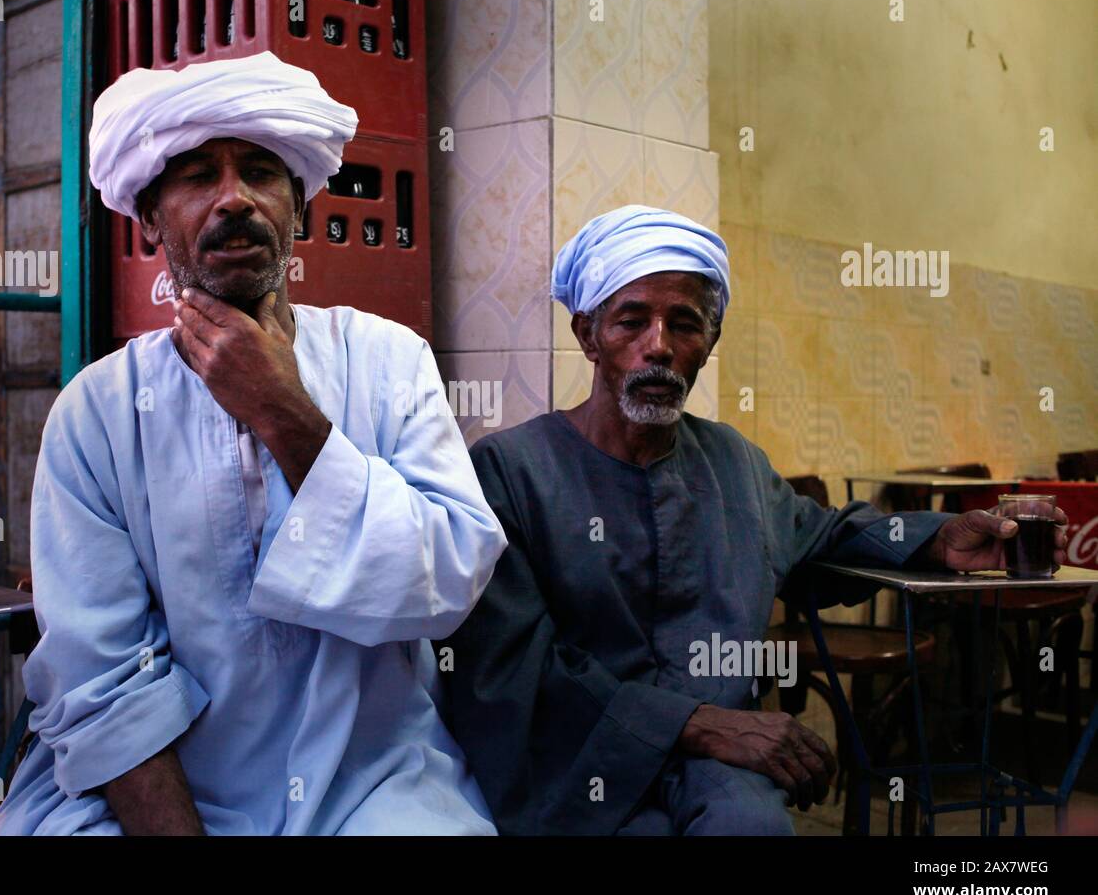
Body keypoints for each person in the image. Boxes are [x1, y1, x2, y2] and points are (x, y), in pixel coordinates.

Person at [0, 52, 505, 835]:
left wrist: (282, 408)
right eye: (197, 176)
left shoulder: (389, 360)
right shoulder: (94, 414)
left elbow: (445, 586)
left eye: (260, 172)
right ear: (152, 215)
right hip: (158, 797)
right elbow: (102, 681)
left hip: (368, 783)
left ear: (297, 202)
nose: (234, 198)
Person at [436, 205, 1070, 836]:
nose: (658, 345)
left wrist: (938, 542)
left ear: (709, 345)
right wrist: (698, 724)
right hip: (578, 763)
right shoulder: (509, 471)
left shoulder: (733, 462)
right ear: (587, 335)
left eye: (684, 324)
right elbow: (510, 668)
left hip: (719, 760)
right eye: (632, 320)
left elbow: (821, 538)